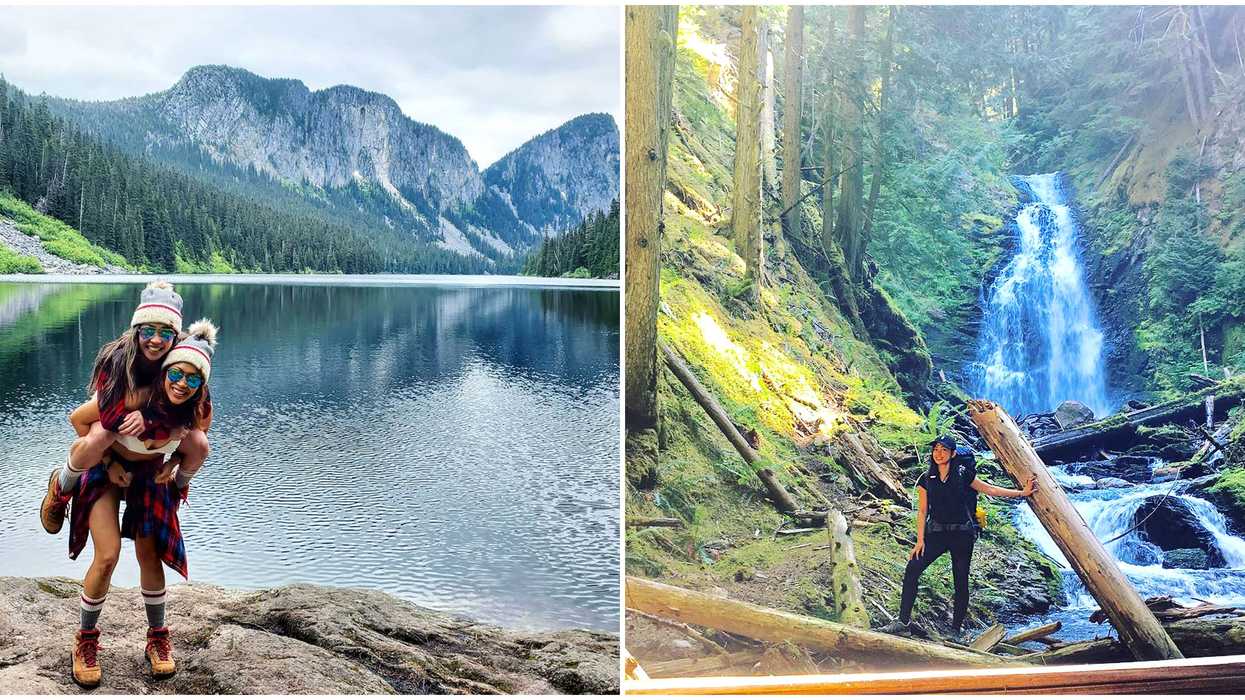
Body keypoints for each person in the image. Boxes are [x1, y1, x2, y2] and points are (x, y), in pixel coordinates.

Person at [50, 318, 218, 687]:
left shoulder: (196, 405)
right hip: (105, 470)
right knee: (107, 554)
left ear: (202, 385)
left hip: (149, 475)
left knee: (149, 553)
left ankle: (157, 638)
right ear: (163, 373)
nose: (182, 383)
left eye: (193, 380)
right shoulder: (133, 394)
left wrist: (174, 463)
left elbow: (199, 440)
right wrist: (108, 463)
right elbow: (77, 419)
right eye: (176, 374)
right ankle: (85, 641)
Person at [40, 280, 210, 536]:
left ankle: (177, 490)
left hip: (149, 426)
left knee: (198, 443)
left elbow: (200, 412)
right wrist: (148, 426)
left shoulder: (184, 358)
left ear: (175, 336)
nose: (156, 340)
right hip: (116, 408)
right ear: (136, 330)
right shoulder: (117, 358)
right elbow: (95, 418)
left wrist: (172, 453)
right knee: (100, 434)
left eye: (166, 333)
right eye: (148, 331)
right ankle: (61, 488)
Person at [880, 435, 1036, 641]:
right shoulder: (926, 478)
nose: (939, 453)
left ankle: (955, 630)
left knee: (960, 581)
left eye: (944, 450)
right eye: (936, 449)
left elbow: (990, 489)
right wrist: (920, 541)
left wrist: (1022, 493)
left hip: (961, 534)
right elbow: (922, 511)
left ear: (953, 454)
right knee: (912, 569)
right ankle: (903, 622)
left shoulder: (963, 474)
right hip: (936, 534)